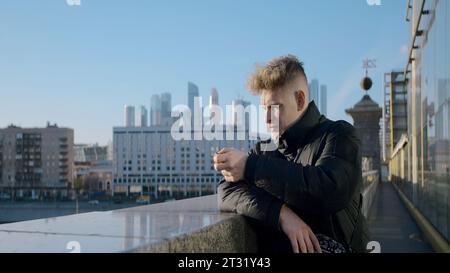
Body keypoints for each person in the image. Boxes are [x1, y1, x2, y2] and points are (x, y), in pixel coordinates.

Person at [214, 55, 370, 253]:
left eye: (275, 107)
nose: (267, 118)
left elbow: (329, 189)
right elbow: (227, 191)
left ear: (300, 99)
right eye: (264, 109)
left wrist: (250, 166)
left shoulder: (340, 135)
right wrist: (281, 214)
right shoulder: (262, 150)